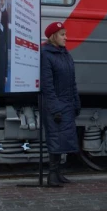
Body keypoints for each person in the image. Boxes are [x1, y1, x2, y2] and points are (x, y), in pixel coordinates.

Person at [40, 22, 81, 186]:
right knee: (55, 138)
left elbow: (72, 82)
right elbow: (47, 85)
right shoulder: (46, 54)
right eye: (63, 34)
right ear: (53, 36)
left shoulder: (65, 54)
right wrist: (55, 108)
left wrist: (76, 102)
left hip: (67, 103)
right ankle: (51, 176)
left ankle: (58, 173)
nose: (66, 37)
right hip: (54, 104)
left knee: (62, 139)